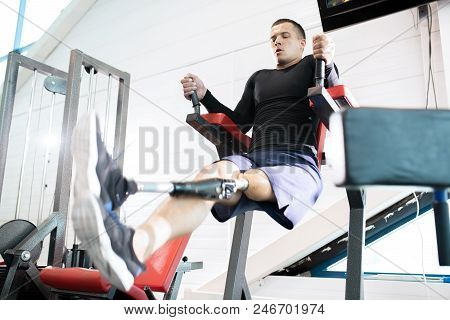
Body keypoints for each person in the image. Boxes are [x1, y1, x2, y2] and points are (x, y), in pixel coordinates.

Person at [70, 18, 340, 292]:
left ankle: (240, 181)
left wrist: (326, 61)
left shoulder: (312, 65)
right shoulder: (259, 78)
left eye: (284, 36)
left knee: (253, 180)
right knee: (214, 172)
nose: (277, 42)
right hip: (254, 157)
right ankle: (133, 250)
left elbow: (333, 92)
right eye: (272, 38)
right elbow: (239, 122)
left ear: (302, 43)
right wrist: (205, 94)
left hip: (296, 163)